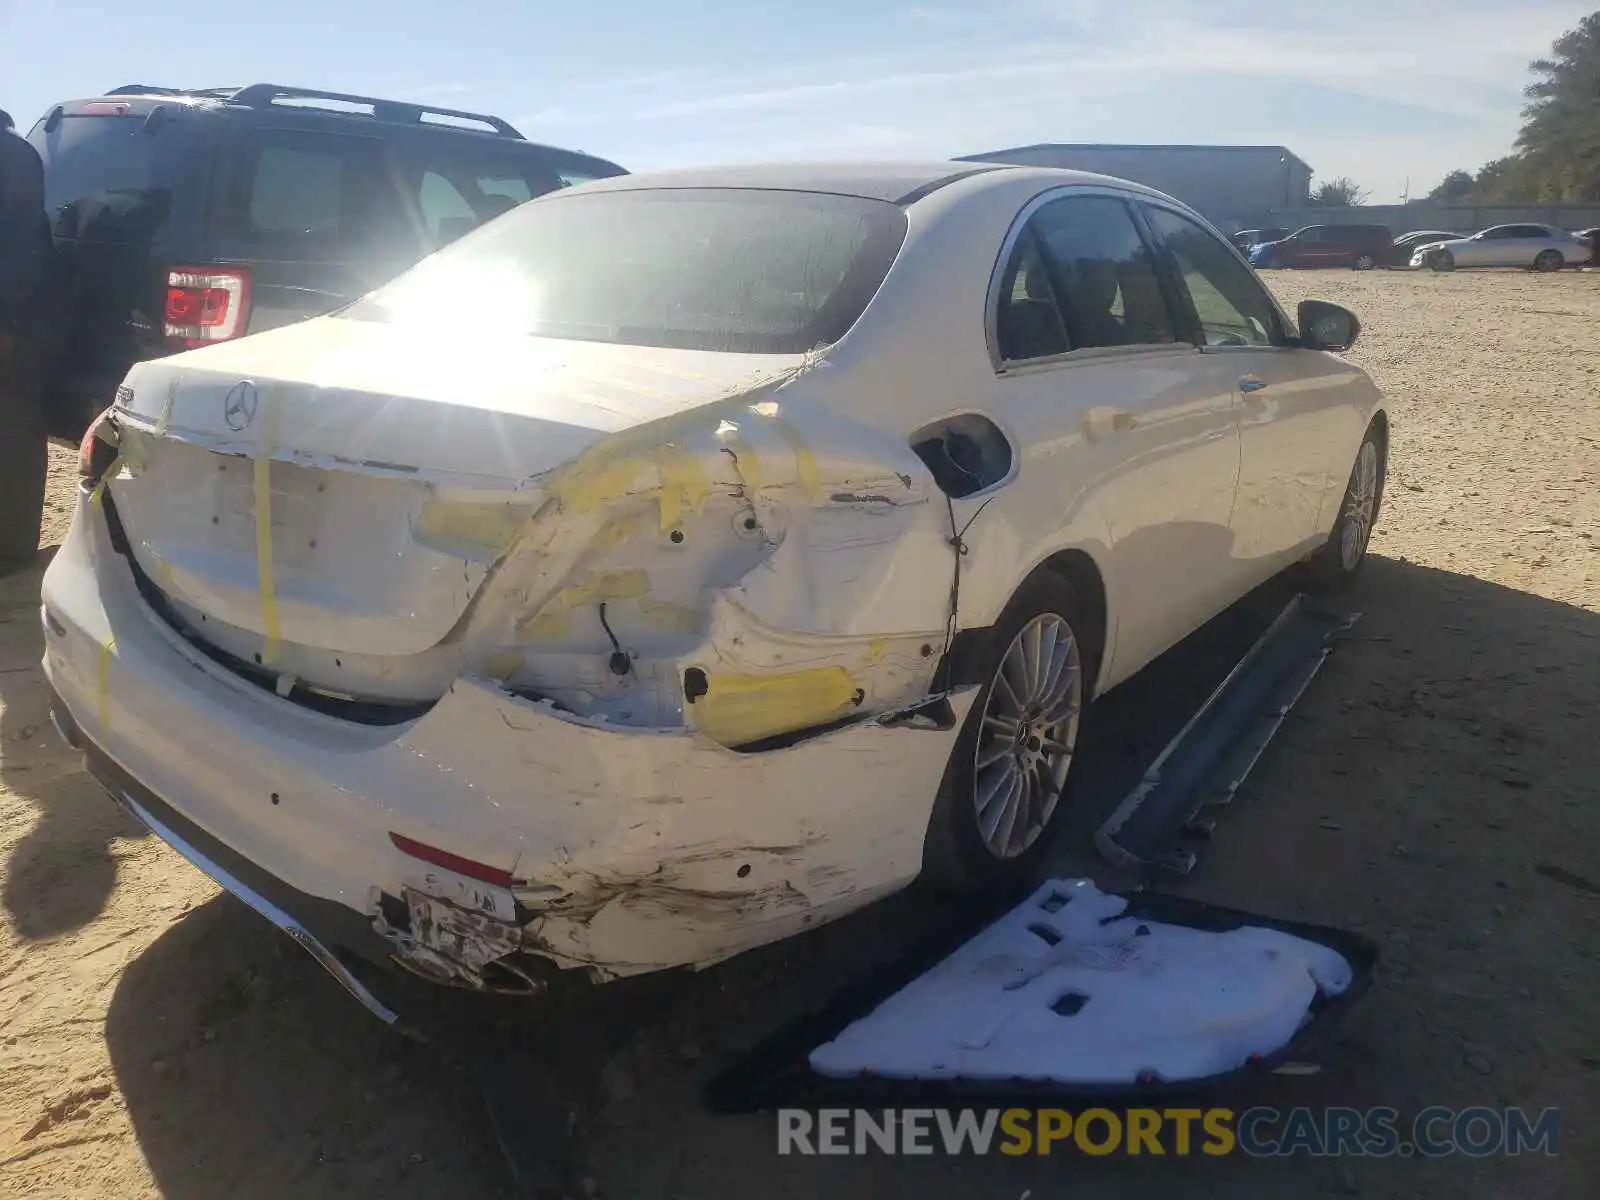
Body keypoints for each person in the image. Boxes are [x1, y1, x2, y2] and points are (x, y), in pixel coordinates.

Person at [0, 107, 52, 574]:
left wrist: (5, 322)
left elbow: (18, 248)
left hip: (10, 323)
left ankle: (12, 552)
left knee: (11, 431)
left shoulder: (11, 157)